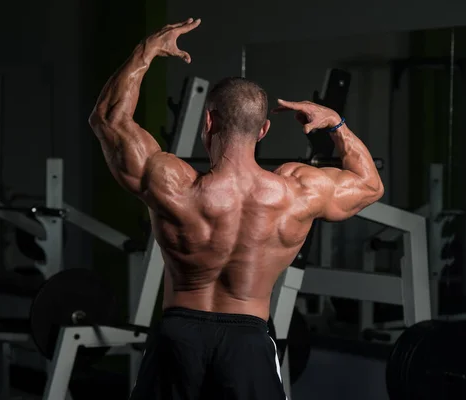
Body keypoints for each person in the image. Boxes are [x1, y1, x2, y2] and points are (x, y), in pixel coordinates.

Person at [89, 18, 384, 400]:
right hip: (248, 341)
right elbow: (370, 185)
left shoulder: (171, 183)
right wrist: (335, 123)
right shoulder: (298, 192)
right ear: (263, 130)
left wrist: (145, 51)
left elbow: (108, 119)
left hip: (178, 337)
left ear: (207, 120)